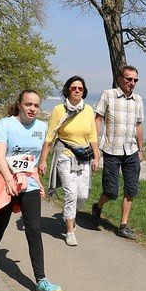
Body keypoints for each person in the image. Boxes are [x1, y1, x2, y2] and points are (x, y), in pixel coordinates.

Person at [0, 89, 61, 291]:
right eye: (28, 104)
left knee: (34, 230)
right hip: (7, 181)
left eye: (36, 105)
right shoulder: (6, 124)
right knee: (0, 224)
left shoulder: (41, 127)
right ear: (20, 104)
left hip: (29, 183)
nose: (32, 109)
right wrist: (8, 179)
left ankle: (41, 280)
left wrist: (41, 161)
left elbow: (43, 148)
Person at [43, 76, 100, 247]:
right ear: (68, 90)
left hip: (83, 156)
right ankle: (70, 231)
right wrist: (43, 160)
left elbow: (92, 135)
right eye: (74, 88)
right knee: (71, 192)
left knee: (82, 195)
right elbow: (50, 135)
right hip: (65, 154)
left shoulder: (88, 110)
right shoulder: (59, 110)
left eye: (80, 88)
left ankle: (70, 214)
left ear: (84, 91)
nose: (77, 90)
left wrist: (97, 157)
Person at [89, 65, 144, 239]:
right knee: (111, 192)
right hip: (112, 150)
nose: (132, 83)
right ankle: (97, 206)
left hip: (131, 151)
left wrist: (141, 149)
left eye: (135, 80)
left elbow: (139, 125)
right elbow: (98, 119)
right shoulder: (108, 95)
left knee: (131, 190)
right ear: (120, 79)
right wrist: (95, 145)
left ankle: (123, 226)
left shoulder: (138, 100)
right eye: (129, 79)